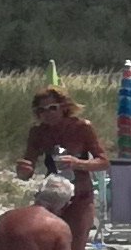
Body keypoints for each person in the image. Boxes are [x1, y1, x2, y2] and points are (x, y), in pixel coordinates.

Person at [21, 86, 108, 220]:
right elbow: (28, 168)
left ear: (64, 107)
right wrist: (24, 170)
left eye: (52, 108)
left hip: (80, 193)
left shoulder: (82, 127)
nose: (47, 113)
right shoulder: (38, 132)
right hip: (51, 194)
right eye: (41, 110)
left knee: (76, 239)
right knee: (46, 238)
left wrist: (78, 163)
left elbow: (104, 162)